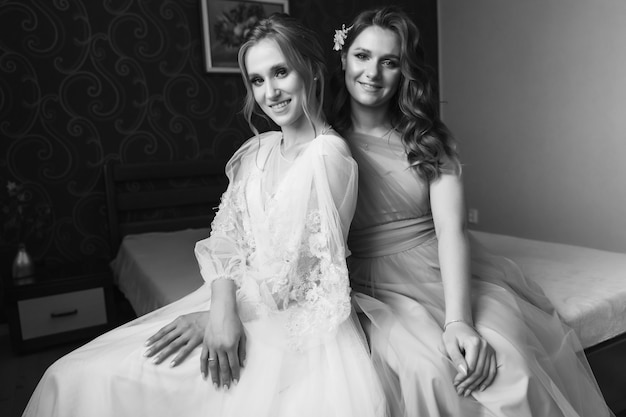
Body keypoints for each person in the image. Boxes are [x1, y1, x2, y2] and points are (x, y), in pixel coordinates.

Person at [22, 13, 387, 417]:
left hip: (285, 330)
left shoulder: (328, 157)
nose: (270, 92)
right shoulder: (259, 151)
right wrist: (219, 306)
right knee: (73, 370)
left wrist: (227, 316)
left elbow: (301, 286)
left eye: (280, 72)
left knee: (104, 378)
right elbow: (226, 238)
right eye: (257, 80)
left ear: (312, 71)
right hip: (230, 303)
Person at [330, 6, 614, 417]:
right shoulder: (325, 144)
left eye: (389, 61)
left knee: (506, 362)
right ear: (343, 58)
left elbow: (451, 231)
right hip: (371, 287)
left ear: (403, 71)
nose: (372, 72)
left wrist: (458, 321)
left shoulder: (426, 139)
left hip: (442, 267)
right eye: (362, 56)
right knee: (428, 371)